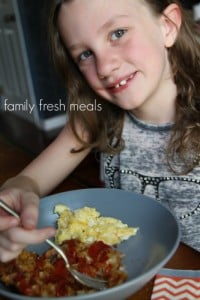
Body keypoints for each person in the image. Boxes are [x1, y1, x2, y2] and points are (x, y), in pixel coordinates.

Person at [0, 0, 200, 262]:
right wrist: (15, 197)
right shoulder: (95, 117)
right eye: (85, 54)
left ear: (167, 26)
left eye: (117, 33)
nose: (104, 68)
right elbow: (30, 181)